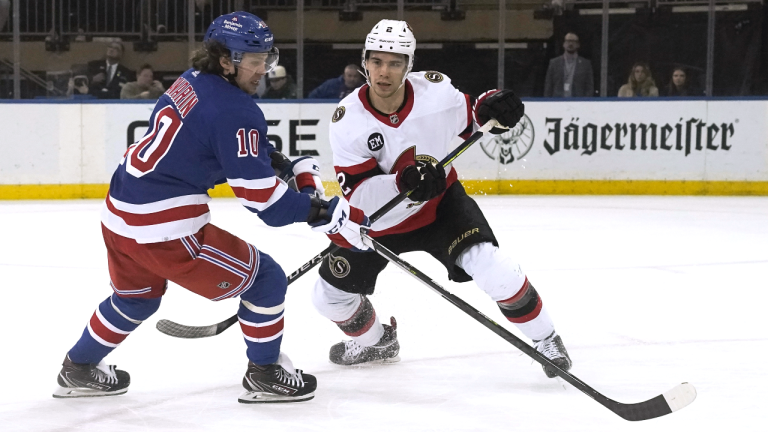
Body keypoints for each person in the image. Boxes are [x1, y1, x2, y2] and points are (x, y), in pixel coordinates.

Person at [52, 12, 371, 404]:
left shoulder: (192, 79)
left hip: (119, 214)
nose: (264, 70)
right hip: (163, 229)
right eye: (255, 61)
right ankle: (265, 374)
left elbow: (215, 140)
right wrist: (320, 211)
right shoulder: (236, 109)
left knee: (136, 298)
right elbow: (264, 202)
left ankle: (79, 366)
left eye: (267, 59)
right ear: (226, 61)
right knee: (265, 279)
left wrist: (282, 165)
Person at [309, 19, 572, 379]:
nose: (384, 72)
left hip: (440, 208)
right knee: (328, 297)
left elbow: (474, 119)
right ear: (365, 61)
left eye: (395, 63)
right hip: (377, 223)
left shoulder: (435, 92)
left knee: (495, 268)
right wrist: (402, 182)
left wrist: (492, 108)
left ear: (409, 65)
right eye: (377, 61)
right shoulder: (347, 120)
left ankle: (546, 339)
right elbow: (359, 195)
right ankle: (377, 342)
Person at [544, 32, 594, 98]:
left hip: (578, 101)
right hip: (557, 101)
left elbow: (589, 88)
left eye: (573, 41)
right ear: (563, 44)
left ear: (578, 45)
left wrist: (585, 102)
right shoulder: (554, 63)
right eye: (568, 41)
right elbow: (548, 86)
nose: (570, 44)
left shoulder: (585, 64)